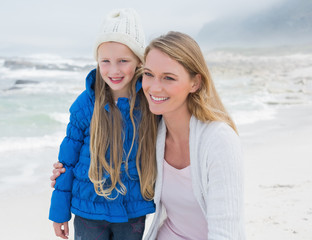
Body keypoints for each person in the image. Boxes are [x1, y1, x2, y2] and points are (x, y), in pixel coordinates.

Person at [52, 31, 245, 239]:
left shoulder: (218, 140)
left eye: (168, 78)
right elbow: (97, 149)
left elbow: (226, 232)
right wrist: (67, 178)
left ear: (195, 83)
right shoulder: (154, 129)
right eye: (149, 74)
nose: (154, 87)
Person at [49, 8, 158, 240]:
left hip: (134, 209)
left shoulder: (150, 103)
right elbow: (66, 161)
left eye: (123, 61)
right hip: (88, 208)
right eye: (105, 61)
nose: (114, 70)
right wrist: (59, 213)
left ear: (139, 60)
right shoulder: (85, 105)